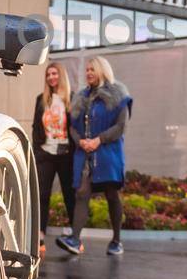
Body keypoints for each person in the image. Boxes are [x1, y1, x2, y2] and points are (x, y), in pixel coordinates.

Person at [56, 55, 132, 259]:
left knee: (111, 195)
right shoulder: (80, 97)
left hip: (108, 154)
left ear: (102, 71)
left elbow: (121, 126)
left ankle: (116, 241)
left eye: (92, 69)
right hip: (85, 153)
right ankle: (75, 238)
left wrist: (99, 140)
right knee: (82, 193)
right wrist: (80, 140)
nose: (88, 73)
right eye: (87, 70)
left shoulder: (118, 94)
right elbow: (72, 126)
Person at [32, 62, 75, 253]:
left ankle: (75, 235)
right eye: (48, 74)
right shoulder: (41, 99)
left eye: (54, 73)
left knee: (69, 195)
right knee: (42, 195)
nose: (51, 77)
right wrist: (37, 151)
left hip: (66, 155)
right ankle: (40, 236)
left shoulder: (71, 99)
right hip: (46, 154)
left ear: (61, 75)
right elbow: (36, 127)